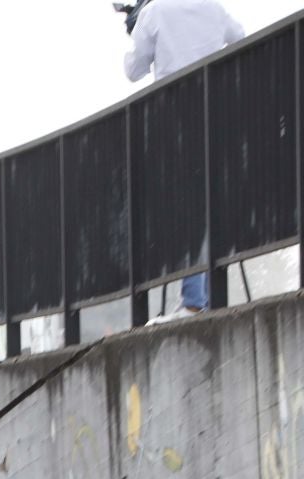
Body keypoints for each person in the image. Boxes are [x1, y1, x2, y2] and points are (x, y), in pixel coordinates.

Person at [125, 0, 245, 312]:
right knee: (209, 203)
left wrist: (135, 27)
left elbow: (133, 70)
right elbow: (240, 37)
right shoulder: (213, 8)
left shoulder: (155, 12)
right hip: (216, 115)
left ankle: (194, 300)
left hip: (173, 122)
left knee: (185, 207)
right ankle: (205, 294)